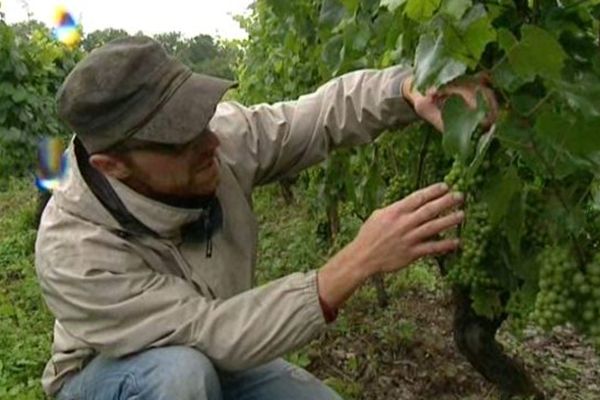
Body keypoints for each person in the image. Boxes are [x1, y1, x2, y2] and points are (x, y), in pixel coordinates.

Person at [35, 36, 496, 400]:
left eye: (202, 119)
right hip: (111, 374)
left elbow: (318, 117)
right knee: (180, 376)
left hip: (211, 349)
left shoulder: (217, 145)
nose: (211, 143)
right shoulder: (73, 253)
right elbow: (208, 332)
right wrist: (355, 262)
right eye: (180, 140)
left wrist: (405, 87)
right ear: (112, 166)